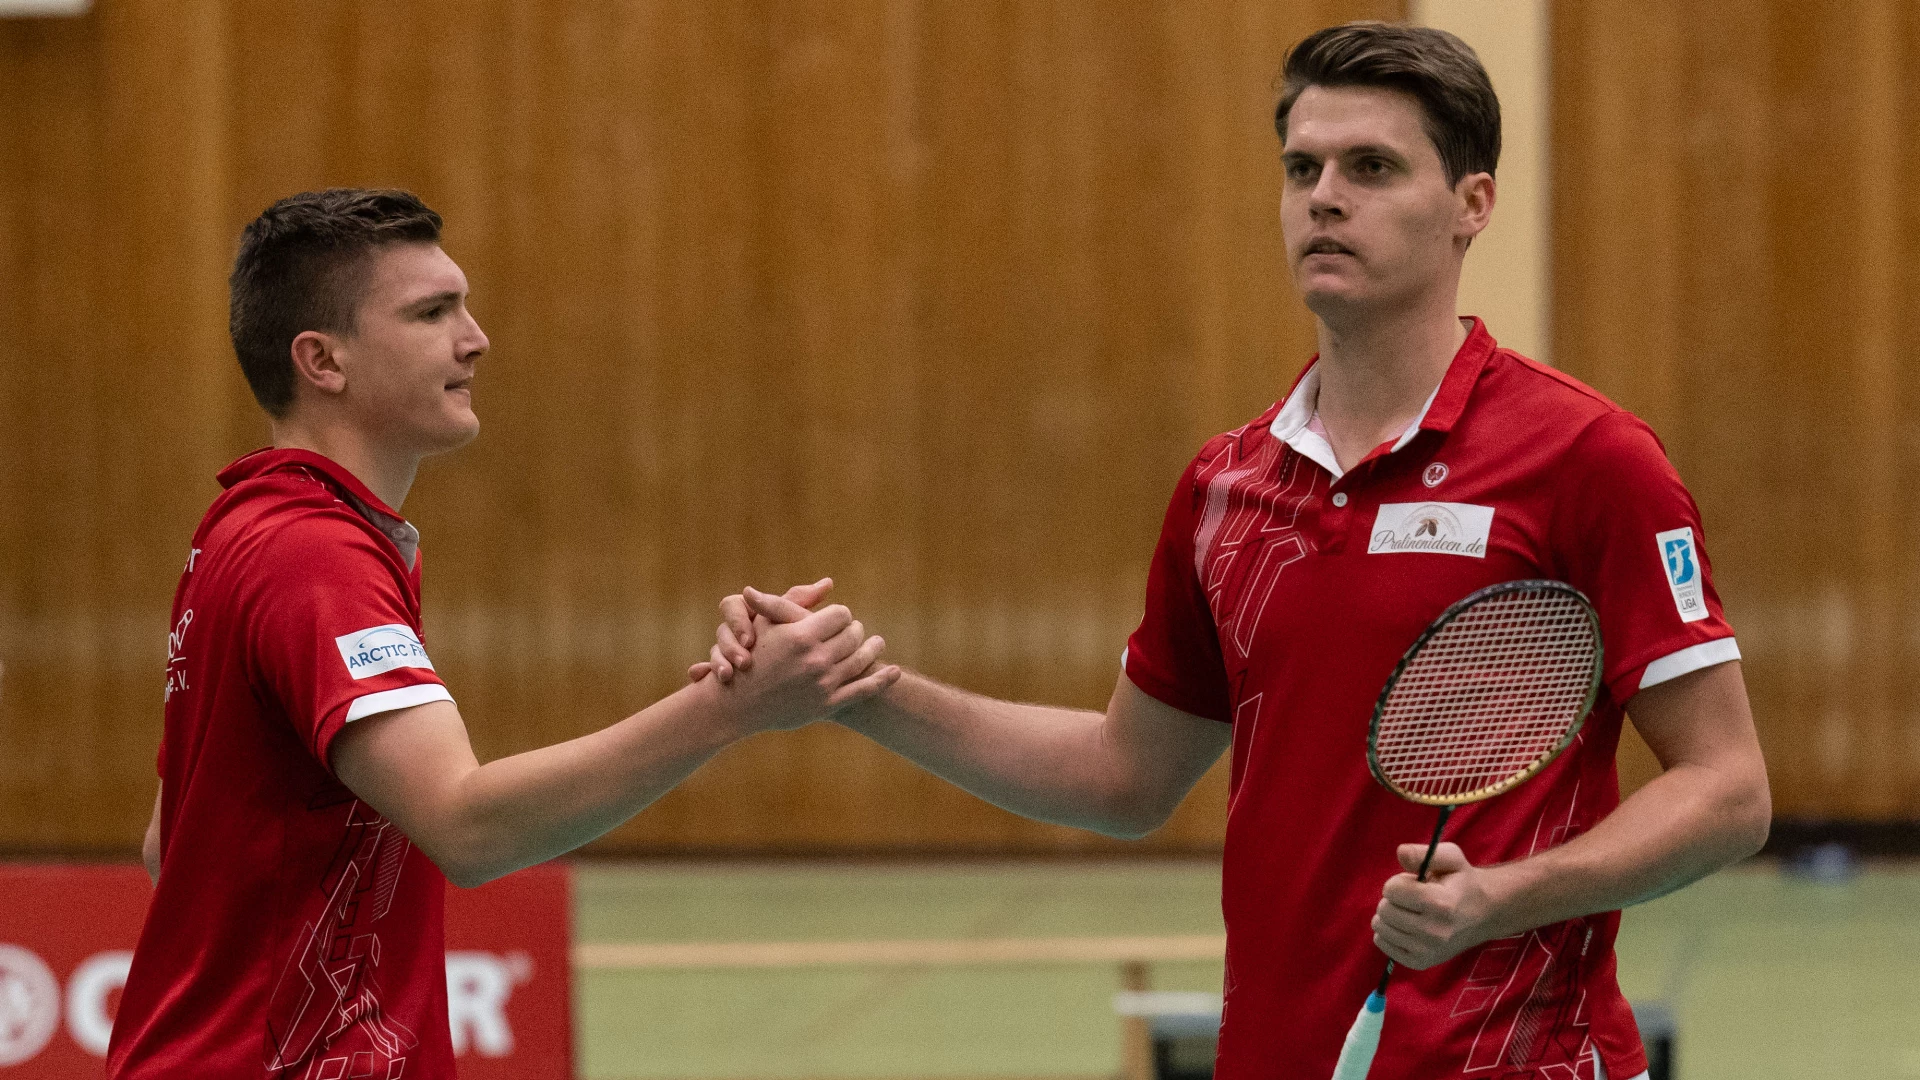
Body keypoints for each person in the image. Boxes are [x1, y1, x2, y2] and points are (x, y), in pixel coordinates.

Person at [698, 22, 1768, 1080]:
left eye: (1372, 168)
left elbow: (1727, 791)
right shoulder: (1227, 490)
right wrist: (857, 688)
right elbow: (1123, 777)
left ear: (1471, 204)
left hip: (1521, 1062)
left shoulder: (1585, 458)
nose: (1325, 198)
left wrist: (1502, 896)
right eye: (1303, 168)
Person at [108, 188, 899, 1079]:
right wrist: (730, 709)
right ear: (322, 360)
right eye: (431, 313)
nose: (475, 338)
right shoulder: (313, 555)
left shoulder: (248, 530)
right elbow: (468, 828)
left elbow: (168, 845)